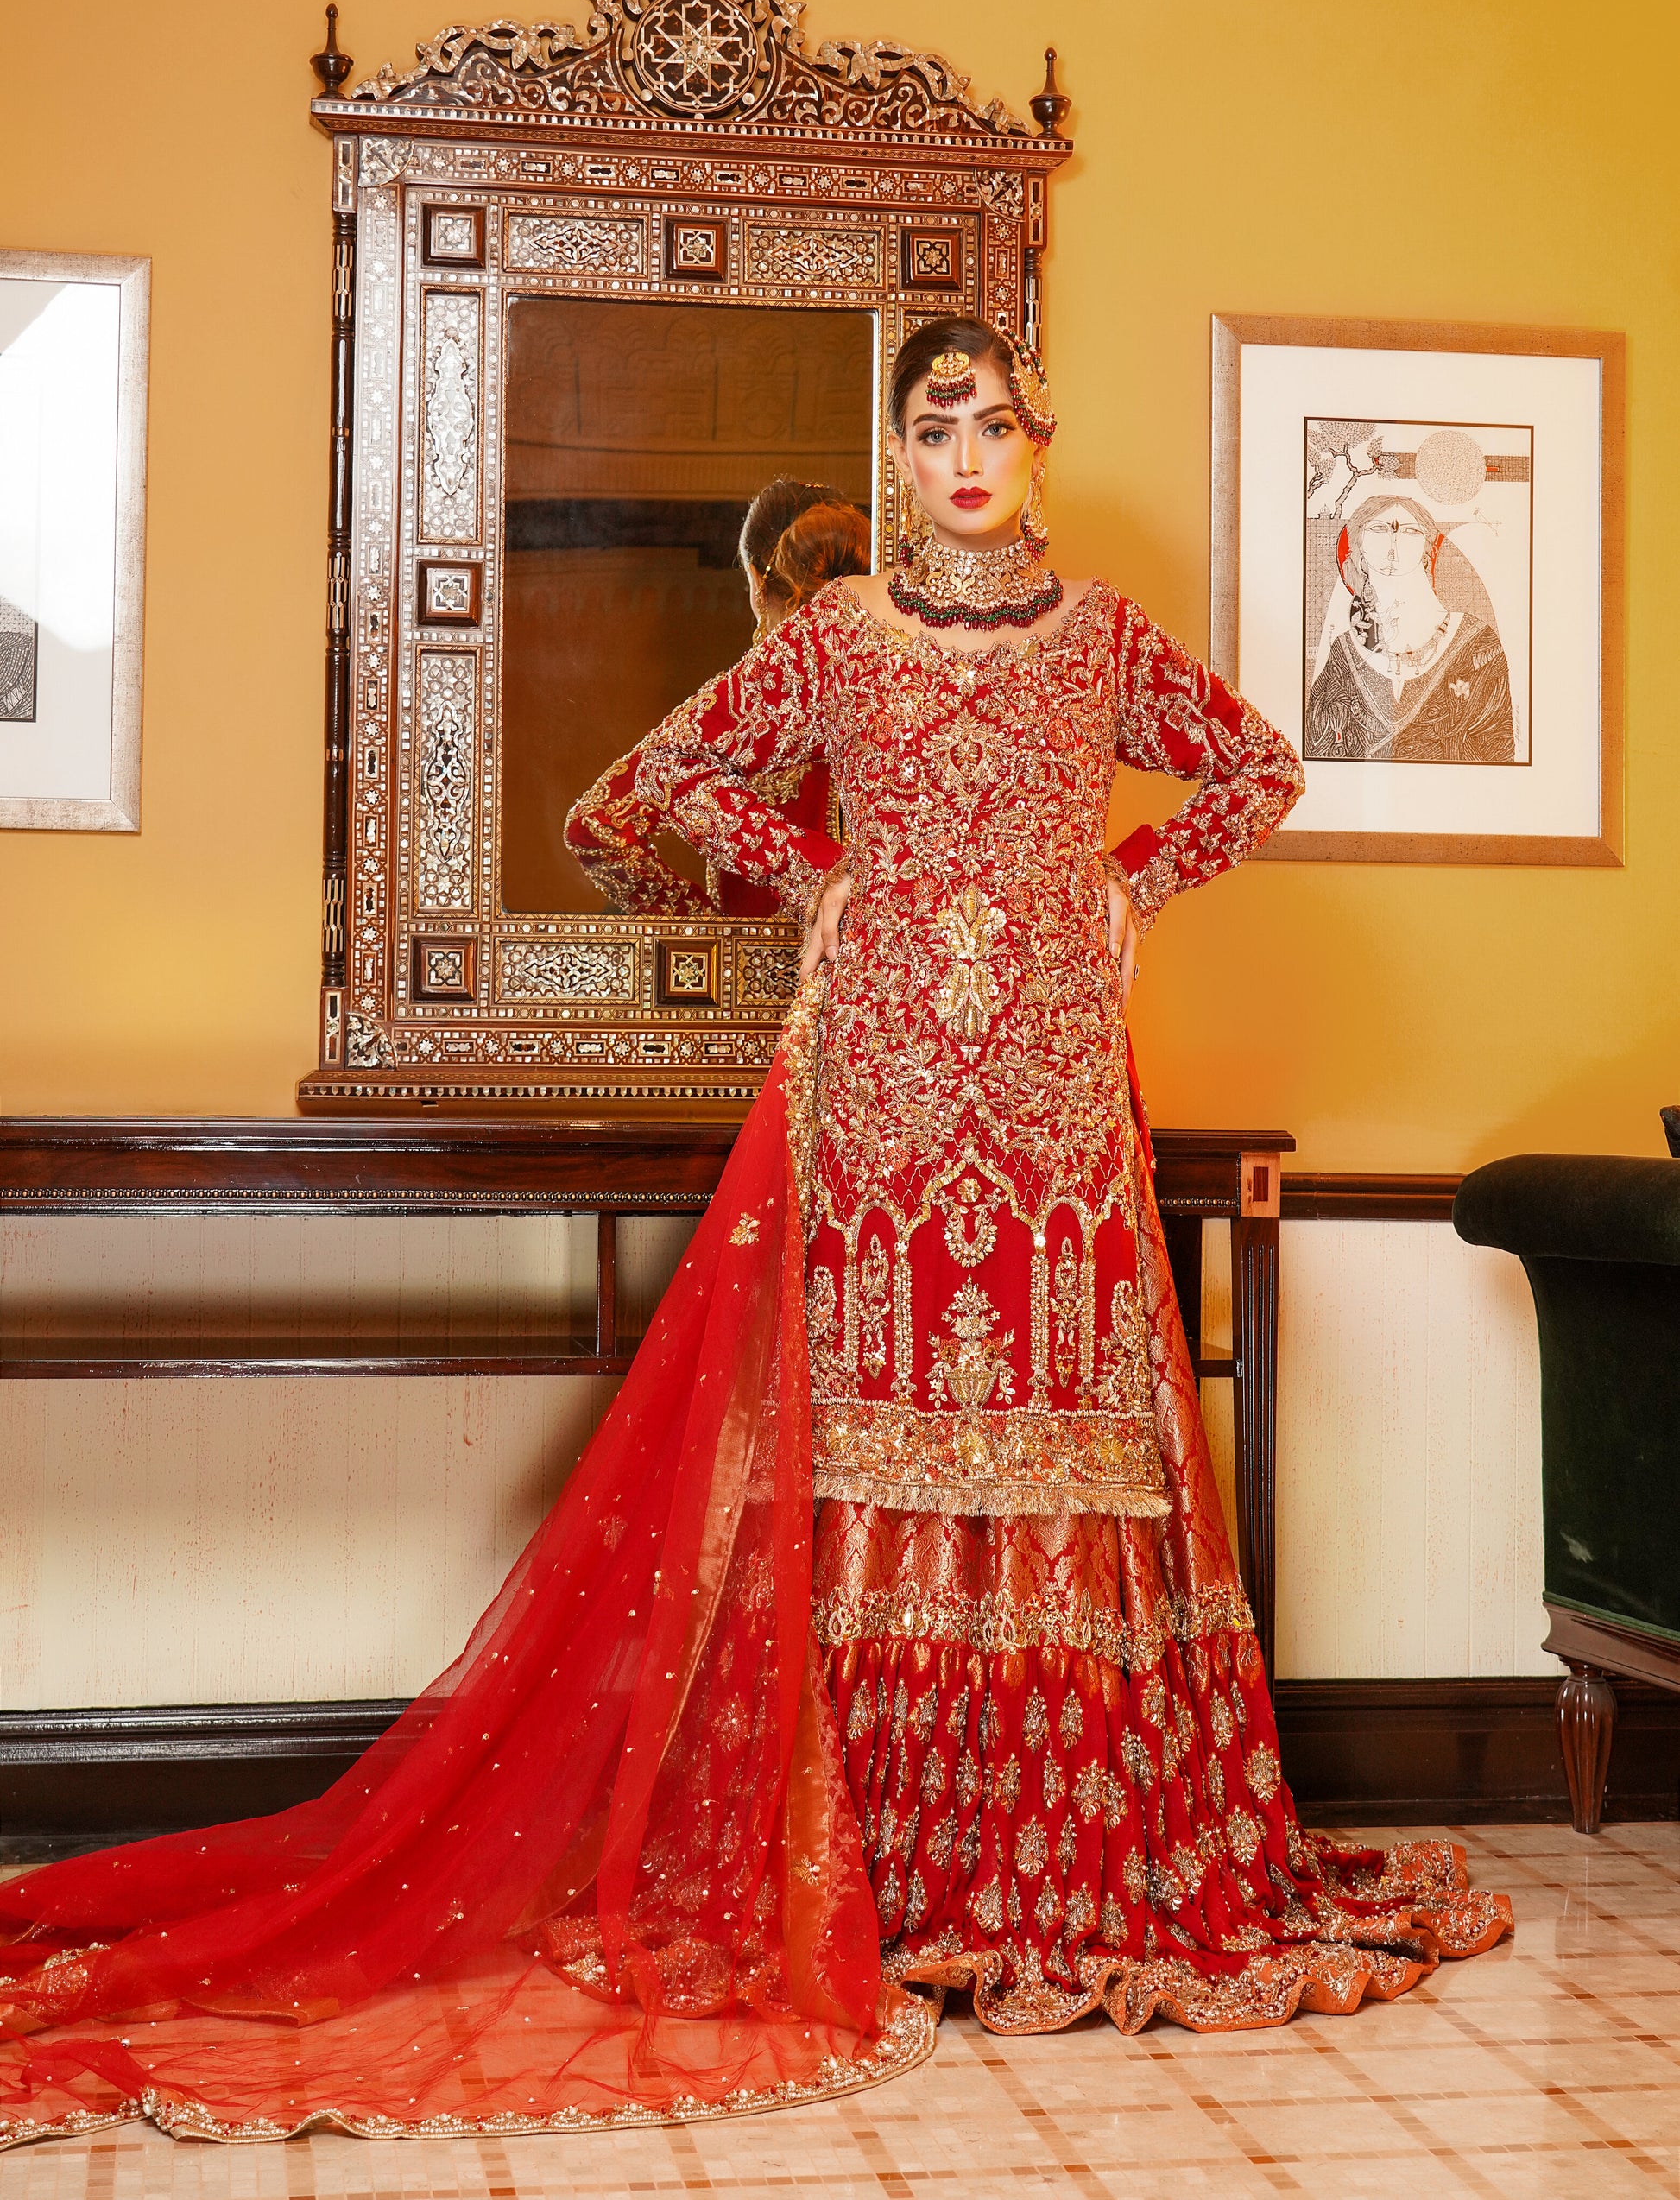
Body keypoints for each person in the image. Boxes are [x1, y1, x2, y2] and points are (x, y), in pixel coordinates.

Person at [0, 322, 1510, 2154]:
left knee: (1075, 1458)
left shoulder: (1105, 641)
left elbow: (1254, 769)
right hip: (874, 1093)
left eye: (996, 422)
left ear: (1044, 440)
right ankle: (875, 1870)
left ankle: (1057, 1873)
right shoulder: (834, 638)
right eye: (931, 422)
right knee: (861, 1452)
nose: (966, 452)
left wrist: (1126, 881)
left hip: (1049, 1097)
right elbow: (645, 793)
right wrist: (820, 880)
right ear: (895, 449)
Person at [565, 488, 869, 916]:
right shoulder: (890, 680)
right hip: (881, 965)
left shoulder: (734, 710)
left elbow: (595, 826)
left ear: (755, 581)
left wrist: (702, 927)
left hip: (749, 974)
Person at [1304, 489, 1514, 764]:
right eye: (1379, 528)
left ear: (1429, 548)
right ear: (1358, 549)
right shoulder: (1345, 649)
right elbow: (1318, 748)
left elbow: (1499, 749)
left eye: (1410, 531)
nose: (1394, 541)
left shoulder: (1476, 641)